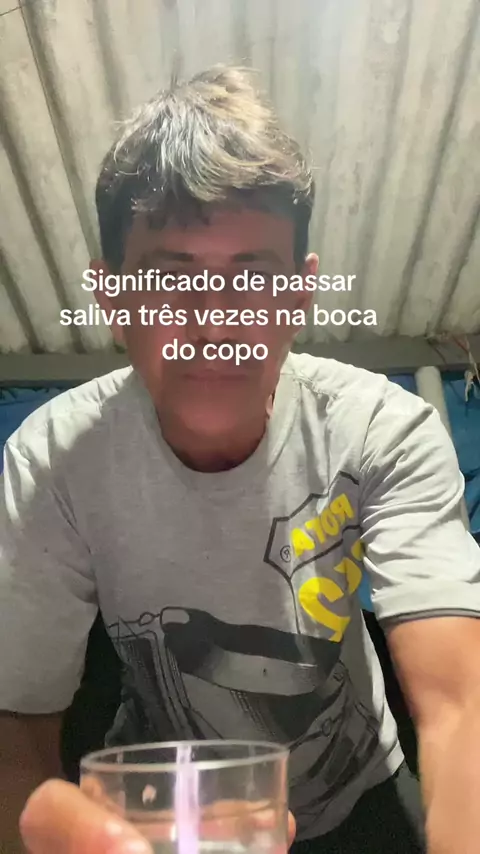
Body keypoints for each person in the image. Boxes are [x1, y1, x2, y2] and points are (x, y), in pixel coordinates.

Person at [1, 65, 480, 854]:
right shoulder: (53, 462)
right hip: (167, 801)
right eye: (168, 278)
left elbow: (461, 708)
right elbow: (16, 731)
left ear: (299, 296)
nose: (214, 323)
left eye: (253, 277)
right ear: (112, 300)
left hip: (361, 787)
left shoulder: (383, 429)